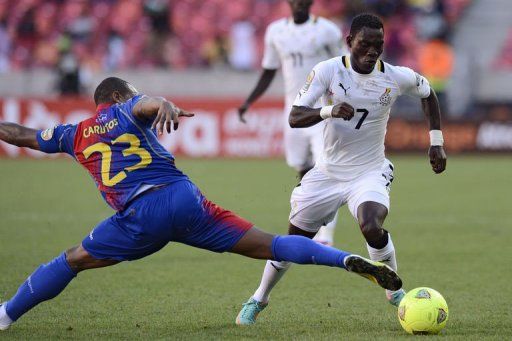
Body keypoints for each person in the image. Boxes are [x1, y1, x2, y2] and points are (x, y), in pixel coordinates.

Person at [0, 77, 402, 331]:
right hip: (185, 199)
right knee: (273, 244)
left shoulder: (74, 133)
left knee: (71, 260)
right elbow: (145, 104)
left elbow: (22, 135)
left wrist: (160, 104)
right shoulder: (127, 107)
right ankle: (344, 259)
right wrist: (160, 103)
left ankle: (6, 315)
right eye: (133, 93)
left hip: (139, 216)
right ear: (119, 95)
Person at [236, 13, 447, 325]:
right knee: (293, 241)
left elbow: (428, 94)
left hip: (370, 171)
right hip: (328, 174)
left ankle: (392, 288)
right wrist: (328, 110)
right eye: (365, 44)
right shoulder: (328, 71)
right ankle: (259, 298)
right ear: (350, 42)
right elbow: (295, 117)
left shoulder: (394, 76)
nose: (372, 51)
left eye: (378, 45)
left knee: (371, 225)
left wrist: (436, 141)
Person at [238, 0, 343, 246]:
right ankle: (310, 225)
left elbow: (344, 67)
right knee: (302, 170)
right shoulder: (276, 31)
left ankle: (326, 237)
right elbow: (268, 70)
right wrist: (249, 101)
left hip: (321, 112)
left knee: (326, 170)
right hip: (293, 114)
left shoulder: (328, 30)